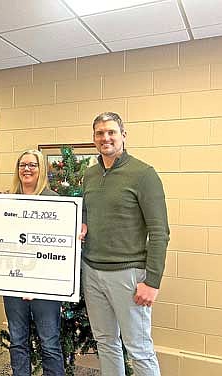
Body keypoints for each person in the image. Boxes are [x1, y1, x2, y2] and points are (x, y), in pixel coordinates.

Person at [80, 112, 170, 376]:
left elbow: (160, 231)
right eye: (99, 133)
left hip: (128, 275)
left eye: (111, 132)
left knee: (139, 348)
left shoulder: (143, 174)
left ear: (123, 136)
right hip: (93, 272)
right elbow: (87, 211)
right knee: (106, 343)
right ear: (94, 138)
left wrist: (152, 281)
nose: (105, 138)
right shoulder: (91, 175)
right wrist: (84, 223)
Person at [3, 149, 65, 376]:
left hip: (45, 287)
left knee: (49, 344)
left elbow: (58, 249)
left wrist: (35, 282)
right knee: (18, 342)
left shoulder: (55, 202)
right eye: (22, 165)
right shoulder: (7, 201)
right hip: (13, 284)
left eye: (32, 165)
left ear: (41, 170)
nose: (27, 169)